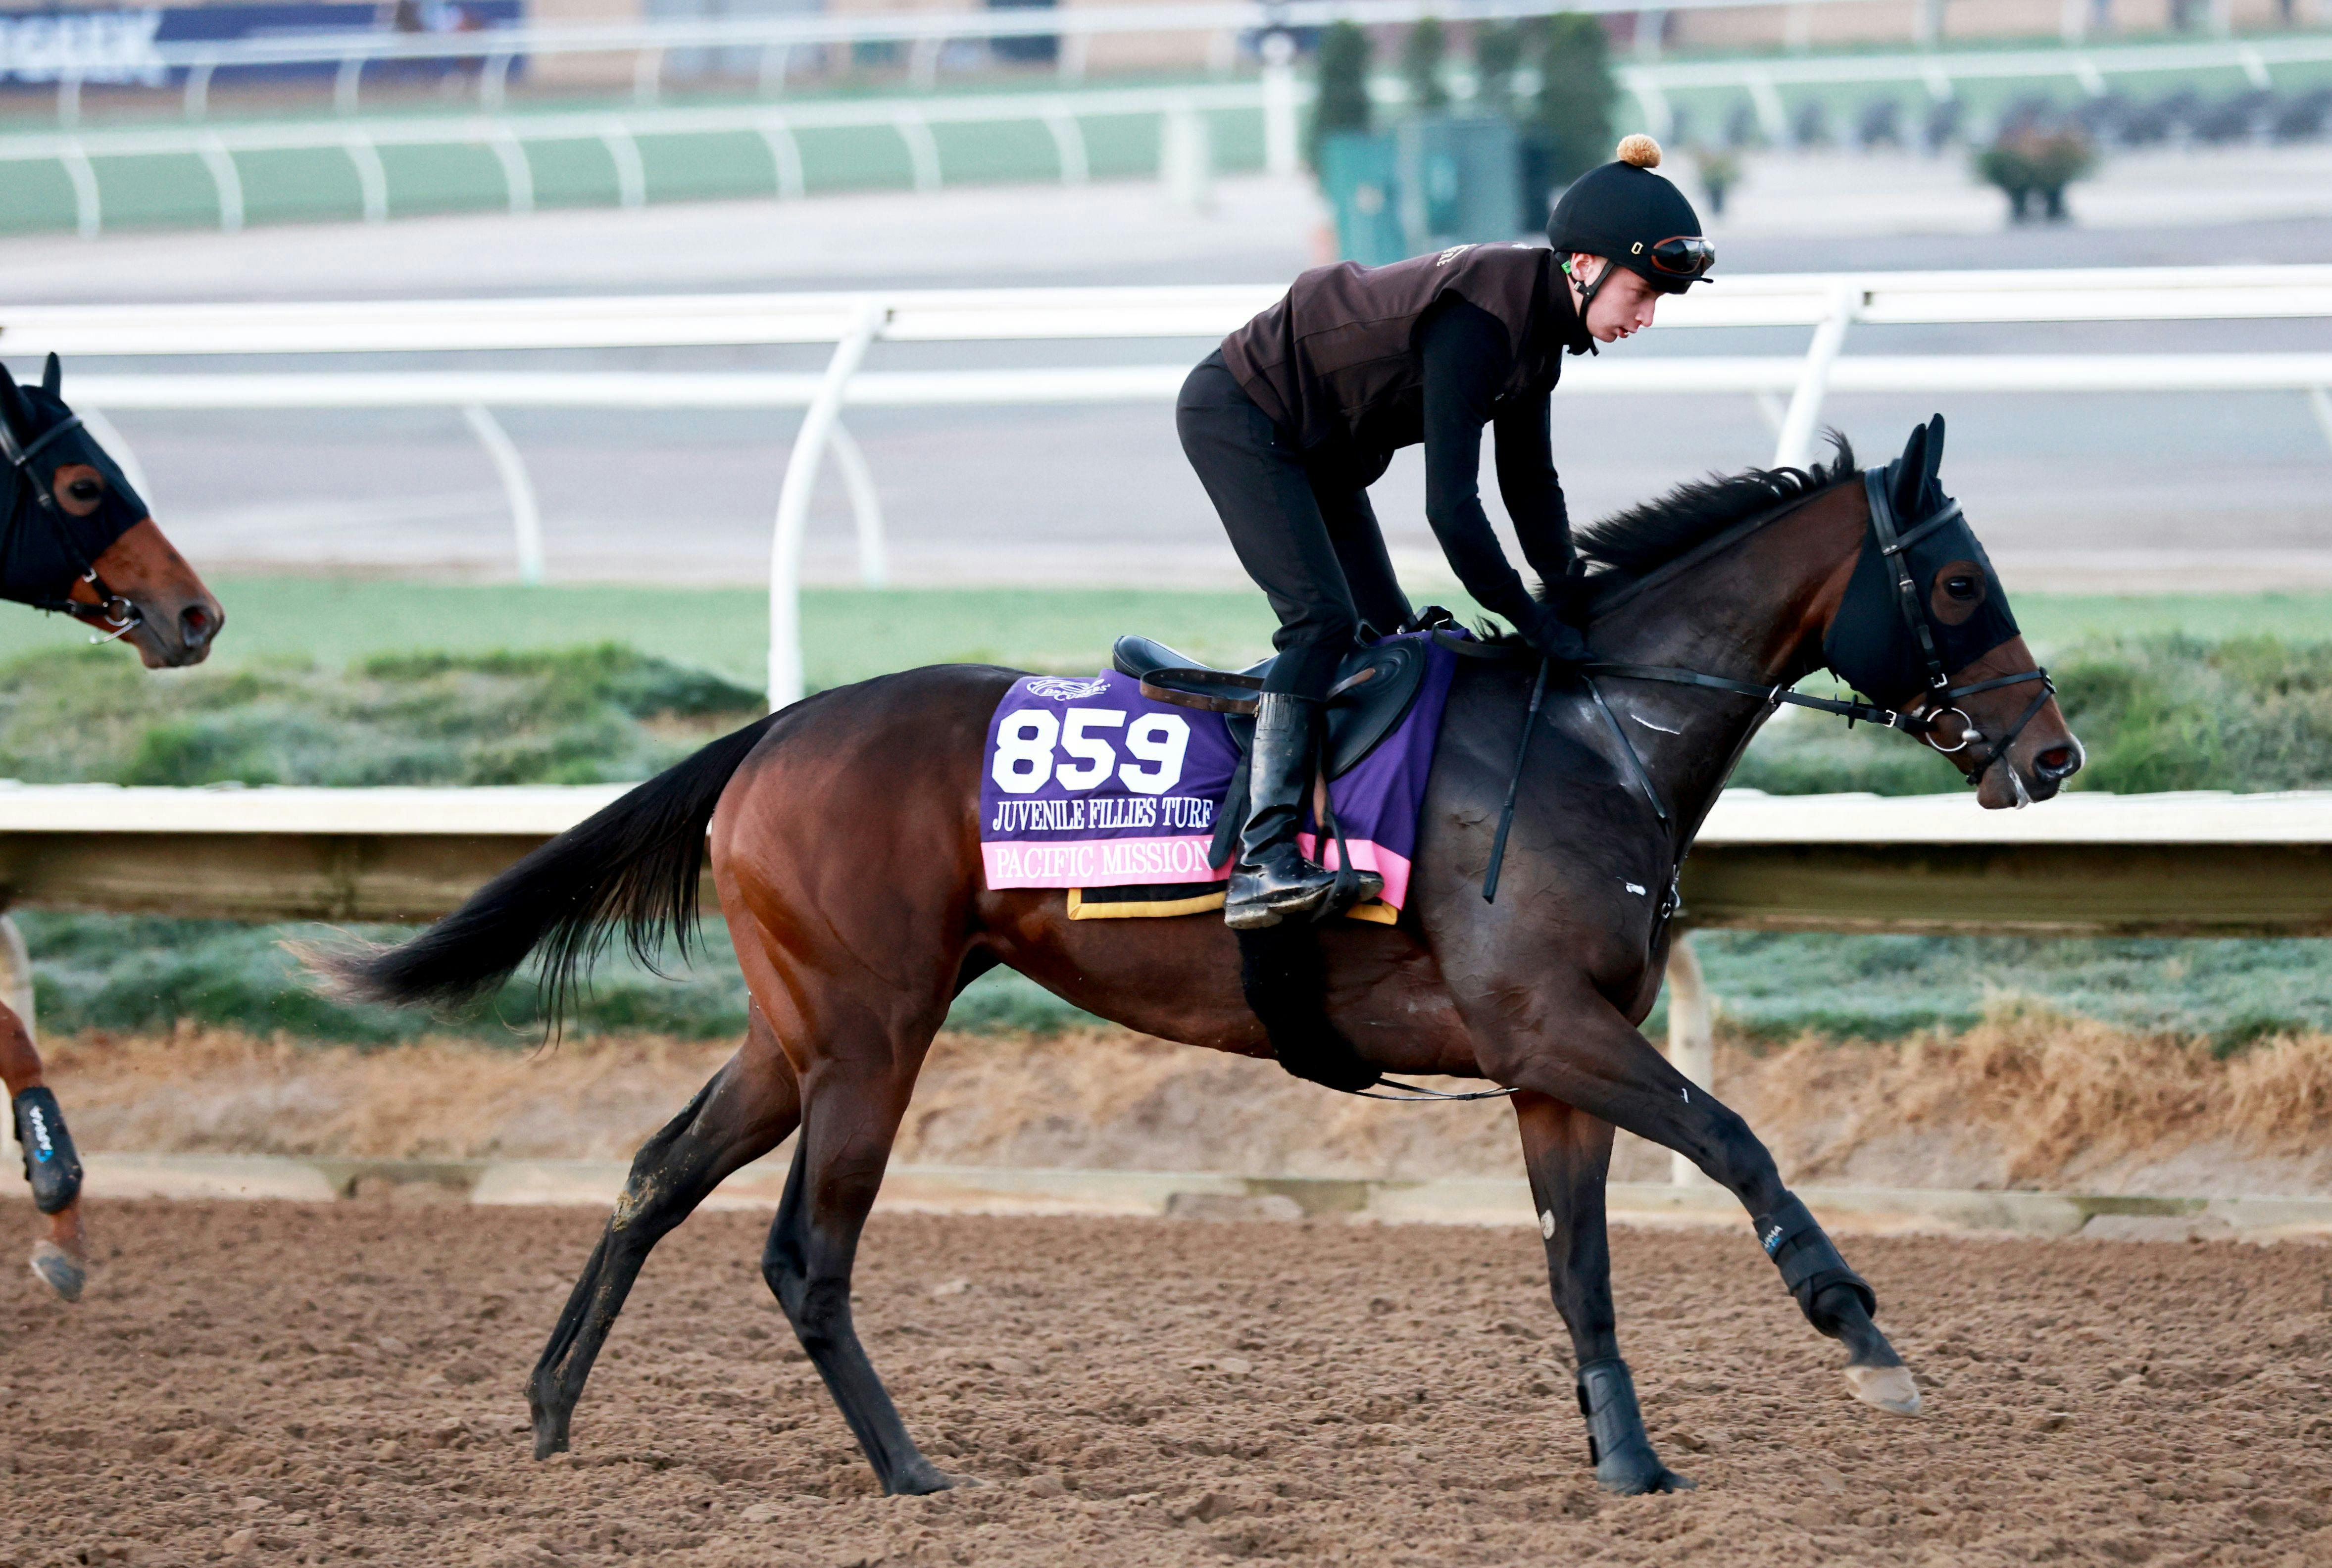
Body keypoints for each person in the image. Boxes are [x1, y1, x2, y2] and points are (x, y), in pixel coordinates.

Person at [1177, 134, 1716, 930]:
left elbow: (1530, 487)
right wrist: (1532, 624)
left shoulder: (1539, 335)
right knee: (1322, 624)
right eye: (1641, 293)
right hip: (1244, 415)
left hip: (1315, 451)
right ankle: (1263, 859)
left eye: (1659, 303)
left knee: (1390, 635)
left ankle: (1360, 836)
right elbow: (1452, 510)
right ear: (1584, 266)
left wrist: (1571, 597)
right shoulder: (1481, 319)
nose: (1645, 316)